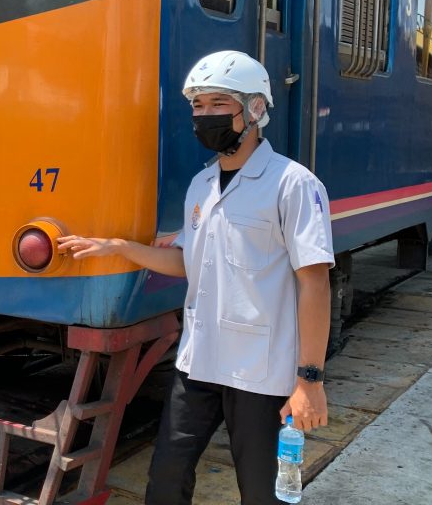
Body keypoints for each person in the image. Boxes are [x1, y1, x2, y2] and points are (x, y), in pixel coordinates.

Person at [58, 51, 333, 505]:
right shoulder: (201, 186)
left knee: (261, 493)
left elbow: (315, 284)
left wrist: (310, 381)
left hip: (261, 374)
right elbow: (188, 261)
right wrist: (121, 247)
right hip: (198, 363)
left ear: (255, 109)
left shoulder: (293, 184)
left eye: (218, 103)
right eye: (198, 106)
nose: (205, 116)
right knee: (165, 480)